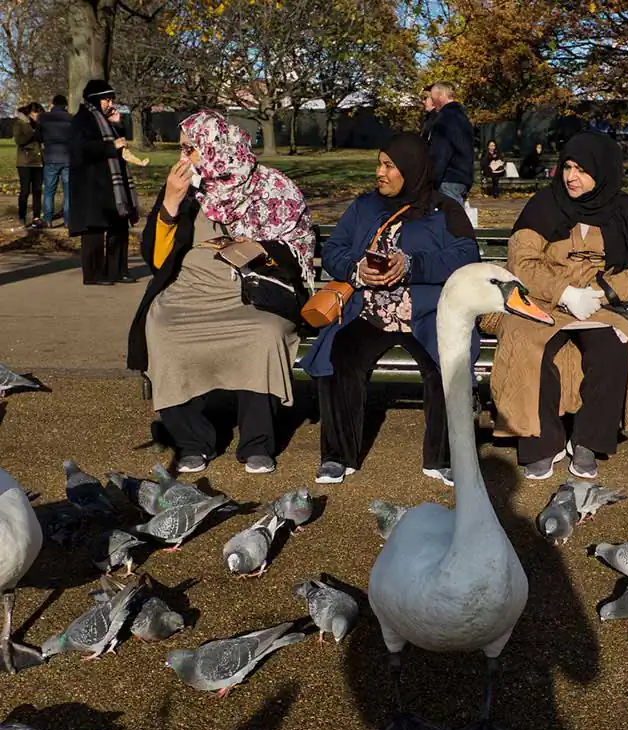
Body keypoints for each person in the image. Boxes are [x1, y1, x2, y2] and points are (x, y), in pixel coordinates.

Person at [126, 110, 315, 475]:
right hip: (188, 293)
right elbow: (157, 259)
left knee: (264, 334)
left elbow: (297, 251)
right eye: (181, 149)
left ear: (216, 147)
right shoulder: (186, 192)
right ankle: (192, 441)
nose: (182, 158)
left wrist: (256, 249)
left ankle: (257, 442)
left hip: (251, 294)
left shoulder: (271, 187)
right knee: (162, 329)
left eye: (189, 149)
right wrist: (170, 204)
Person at [300, 132, 480, 486]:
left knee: (447, 363)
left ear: (411, 169)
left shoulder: (444, 209)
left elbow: (466, 254)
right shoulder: (364, 206)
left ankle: (444, 457)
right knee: (340, 357)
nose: (379, 173)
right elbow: (334, 249)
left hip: (426, 311)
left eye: (389, 166)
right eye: (379, 164)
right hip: (368, 310)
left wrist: (413, 265)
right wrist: (355, 269)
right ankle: (338, 455)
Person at [490, 132, 628, 480]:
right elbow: (522, 261)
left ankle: (588, 441)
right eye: (567, 167)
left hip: (602, 303)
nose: (571, 177)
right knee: (527, 345)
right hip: (543, 299)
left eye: (582, 170)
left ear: (603, 170)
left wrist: (603, 292)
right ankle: (542, 441)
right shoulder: (543, 205)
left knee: (615, 346)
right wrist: (565, 292)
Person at [69, 79, 139, 285]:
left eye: (111, 100)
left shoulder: (106, 119)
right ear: (95, 100)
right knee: (94, 230)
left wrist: (117, 125)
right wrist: (110, 147)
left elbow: (119, 144)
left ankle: (118, 270)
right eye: (106, 100)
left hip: (113, 184)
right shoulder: (82, 119)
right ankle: (94, 274)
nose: (110, 104)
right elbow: (81, 150)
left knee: (119, 225)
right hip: (91, 183)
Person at [428, 81, 474, 203]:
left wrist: (432, 180)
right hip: (462, 177)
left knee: (448, 214)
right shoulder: (462, 117)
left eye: (433, 98)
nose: (432, 102)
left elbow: (440, 153)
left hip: (448, 179)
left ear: (442, 95)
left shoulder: (445, 119)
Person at [37, 94, 73, 228]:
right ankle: (68, 221)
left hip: (51, 157)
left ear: (53, 104)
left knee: (49, 191)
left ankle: (48, 219)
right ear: (65, 105)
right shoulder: (71, 118)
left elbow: (38, 136)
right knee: (68, 192)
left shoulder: (43, 118)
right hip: (67, 158)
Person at [13, 103, 44, 230]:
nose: (38, 115)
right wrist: (33, 132)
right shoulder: (19, 123)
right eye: (37, 113)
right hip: (25, 162)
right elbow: (19, 141)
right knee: (25, 191)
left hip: (38, 161)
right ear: (30, 113)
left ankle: (36, 217)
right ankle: (22, 217)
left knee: (37, 190)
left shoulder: (39, 124)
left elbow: (41, 139)